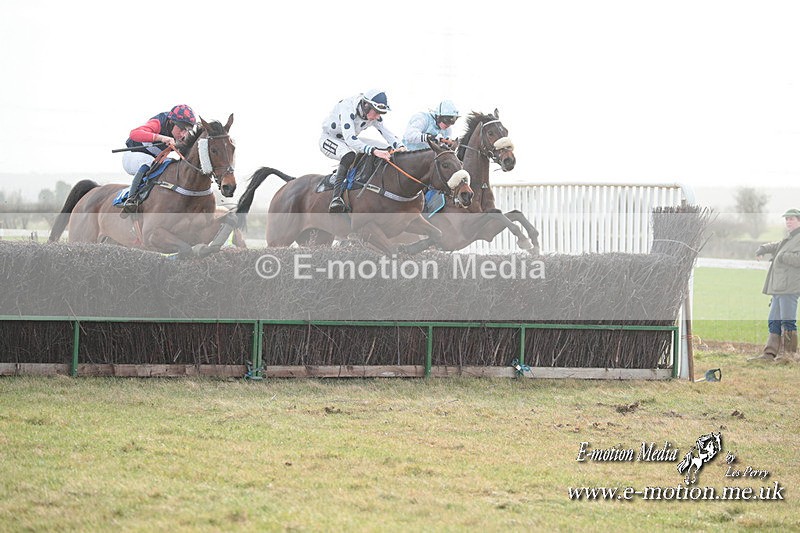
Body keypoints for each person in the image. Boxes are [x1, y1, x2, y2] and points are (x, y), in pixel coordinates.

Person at [319, 89, 406, 213]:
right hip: (329, 139)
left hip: (350, 140)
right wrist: (374, 151)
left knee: (387, 149)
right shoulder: (348, 107)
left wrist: (401, 147)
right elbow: (350, 138)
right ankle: (336, 197)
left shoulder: (374, 115)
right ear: (366, 106)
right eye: (376, 112)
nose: (378, 116)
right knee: (349, 155)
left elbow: (387, 134)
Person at [121, 104, 196, 213]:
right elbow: (134, 133)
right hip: (131, 155)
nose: (183, 134)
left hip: (153, 160)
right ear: (171, 123)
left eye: (187, 130)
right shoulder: (159, 122)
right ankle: (131, 200)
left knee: (171, 165)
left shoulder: (182, 136)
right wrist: (160, 138)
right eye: (181, 129)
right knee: (148, 161)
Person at [749, 208, 800, 364]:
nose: (788, 222)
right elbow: (776, 245)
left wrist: (782, 256)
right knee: (774, 320)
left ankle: (789, 356)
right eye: (786, 219)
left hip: (790, 287)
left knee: (788, 321)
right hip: (779, 287)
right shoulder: (790, 238)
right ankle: (770, 354)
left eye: (791, 219)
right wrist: (763, 248)